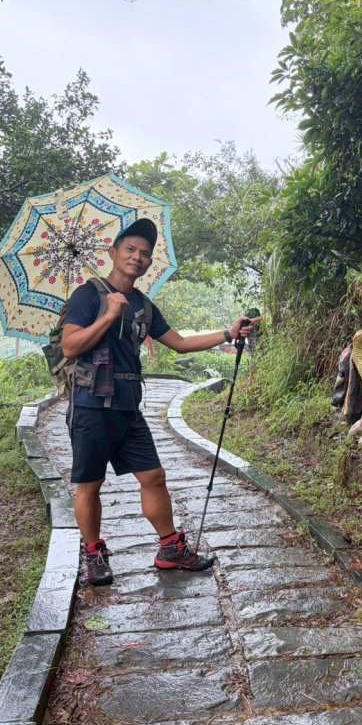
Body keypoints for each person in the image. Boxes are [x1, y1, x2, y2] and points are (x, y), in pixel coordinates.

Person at [61, 218, 258, 585]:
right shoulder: (88, 295)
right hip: (91, 404)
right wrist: (108, 315)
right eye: (130, 249)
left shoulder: (143, 305)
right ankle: (94, 555)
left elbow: (180, 343)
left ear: (150, 263)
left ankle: (170, 549)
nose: (138, 257)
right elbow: (70, 346)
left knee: (154, 476)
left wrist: (228, 334)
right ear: (113, 253)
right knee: (90, 484)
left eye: (145, 254)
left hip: (127, 407)